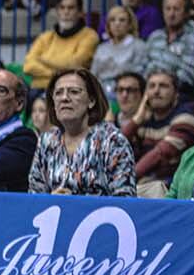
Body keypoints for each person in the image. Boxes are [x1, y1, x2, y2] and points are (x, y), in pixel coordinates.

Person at [28, 68, 136, 196]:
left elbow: (125, 200)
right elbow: (34, 196)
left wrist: (76, 202)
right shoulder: (46, 141)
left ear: (91, 101)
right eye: (58, 93)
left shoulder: (112, 140)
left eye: (74, 92)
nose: (64, 98)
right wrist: (52, 200)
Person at [122, 69, 194, 197]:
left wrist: (126, 179)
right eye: (151, 86)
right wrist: (136, 120)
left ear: (176, 94)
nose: (156, 91)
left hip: (175, 189)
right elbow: (118, 149)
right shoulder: (144, 121)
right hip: (148, 185)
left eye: (163, 86)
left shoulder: (186, 118)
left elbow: (160, 154)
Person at [23, 0, 100, 90]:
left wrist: (43, 59)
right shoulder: (46, 37)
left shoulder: (89, 36)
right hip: (37, 89)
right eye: (62, 8)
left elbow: (74, 64)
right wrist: (55, 72)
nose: (66, 12)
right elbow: (28, 66)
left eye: (71, 8)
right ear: (57, 11)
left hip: (68, 90)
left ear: (80, 13)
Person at [144, 0, 194, 95]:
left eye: (176, 9)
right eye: (168, 9)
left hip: (179, 94)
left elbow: (186, 78)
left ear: (187, 13)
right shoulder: (155, 36)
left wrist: (159, 86)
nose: (171, 14)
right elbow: (143, 66)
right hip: (149, 91)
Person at [93, 5, 150, 100]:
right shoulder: (101, 48)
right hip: (100, 95)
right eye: (113, 20)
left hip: (126, 94)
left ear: (130, 24)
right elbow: (94, 75)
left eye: (122, 20)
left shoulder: (139, 46)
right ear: (108, 25)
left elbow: (141, 76)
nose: (117, 24)